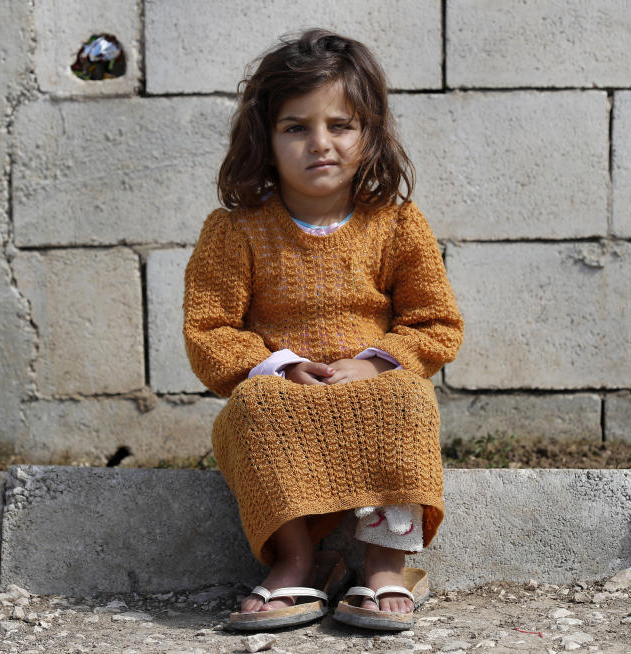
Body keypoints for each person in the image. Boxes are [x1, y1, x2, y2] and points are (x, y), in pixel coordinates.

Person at [183, 28, 463, 631]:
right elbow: (208, 331)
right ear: (265, 136)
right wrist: (279, 365)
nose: (320, 144)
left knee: (410, 395)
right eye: (296, 127)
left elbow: (434, 322)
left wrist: (374, 361)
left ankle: (385, 561)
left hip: (371, 385)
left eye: (341, 125)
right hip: (285, 393)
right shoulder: (233, 233)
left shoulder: (397, 225)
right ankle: (297, 557)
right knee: (254, 405)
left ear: (369, 135)